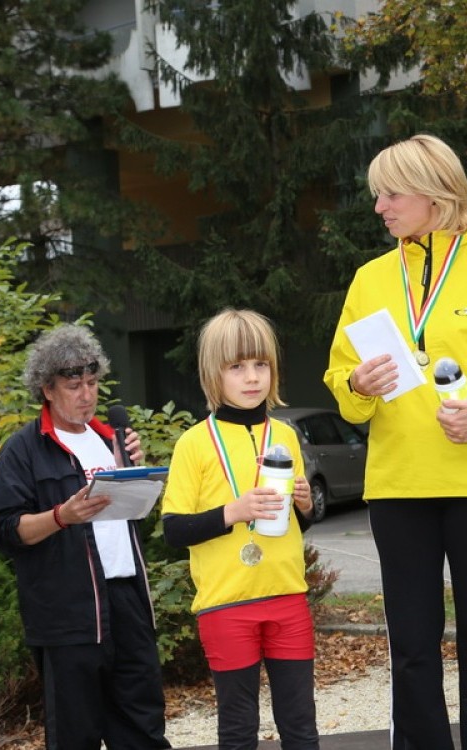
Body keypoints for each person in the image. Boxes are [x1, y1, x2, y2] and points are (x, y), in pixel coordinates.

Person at [323, 134, 467, 750]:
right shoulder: (370, 279)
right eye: (378, 195)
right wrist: (356, 382)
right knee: (412, 647)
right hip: (399, 487)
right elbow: (340, 383)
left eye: (391, 193)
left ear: (435, 194)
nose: (380, 207)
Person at [0, 324, 171, 750]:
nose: (86, 394)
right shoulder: (23, 450)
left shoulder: (113, 440)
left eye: (92, 383)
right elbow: (4, 532)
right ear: (47, 389)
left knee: (143, 731)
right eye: (74, 385)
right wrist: (61, 516)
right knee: (75, 737)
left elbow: (130, 521)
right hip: (67, 613)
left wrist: (138, 476)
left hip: (127, 602)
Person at [161, 308, 319, 750]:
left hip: (287, 597)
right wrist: (233, 511)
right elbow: (173, 530)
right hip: (226, 605)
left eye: (261, 364)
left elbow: (295, 524)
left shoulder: (285, 436)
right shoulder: (193, 443)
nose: (252, 377)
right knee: (237, 730)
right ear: (214, 373)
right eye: (237, 367)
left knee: (301, 726)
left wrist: (304, 507)